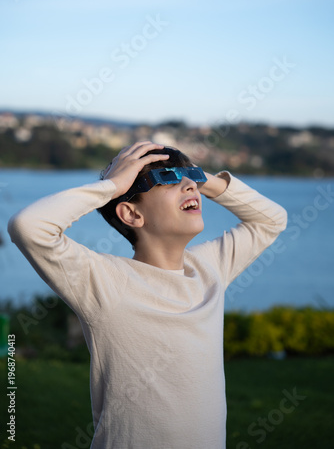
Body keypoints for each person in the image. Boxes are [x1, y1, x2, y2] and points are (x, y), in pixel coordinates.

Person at [8, 141, 287, 449]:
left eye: (190, 176)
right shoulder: (104, 282)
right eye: (167, 178)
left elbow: (272, 219)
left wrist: (201, 178)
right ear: (131, 213)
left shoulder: (209, 269)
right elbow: (29, 227)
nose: (189, 185)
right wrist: (112, 186)